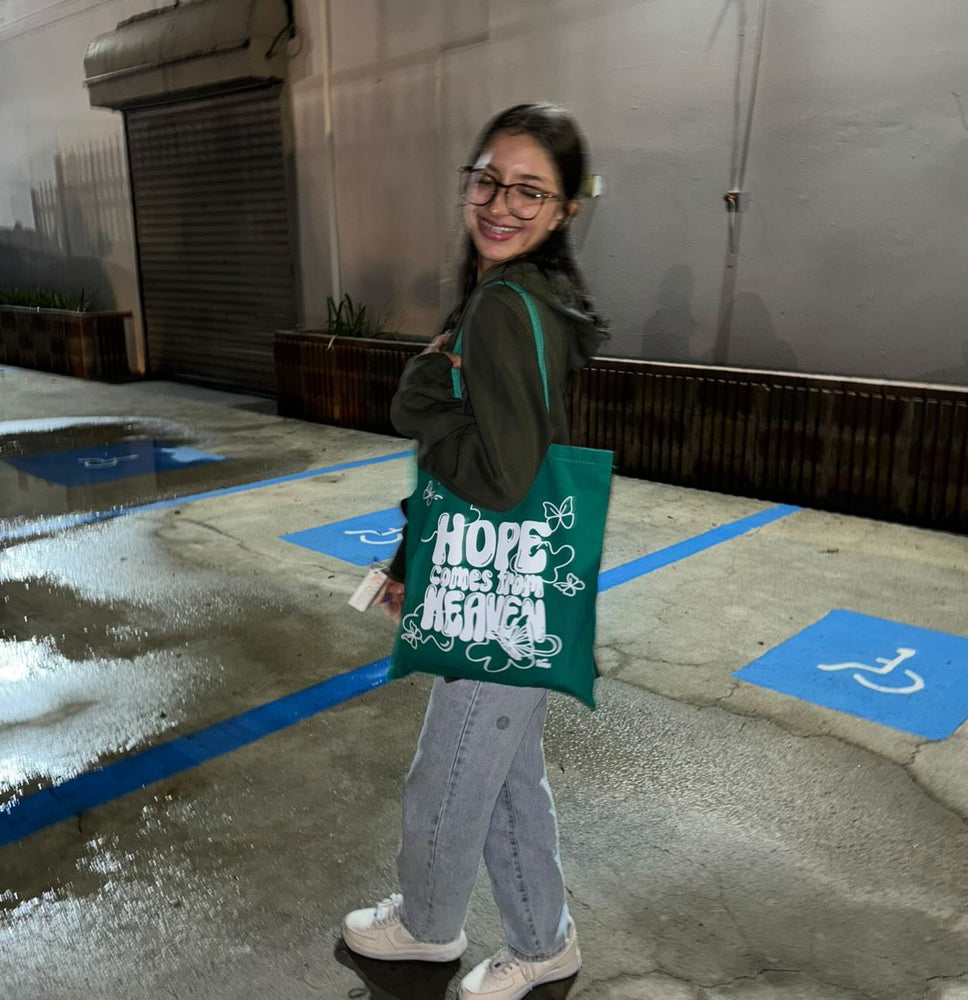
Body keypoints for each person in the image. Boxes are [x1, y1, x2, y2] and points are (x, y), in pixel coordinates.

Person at [342, 102, 608, 1000]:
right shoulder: (540, 298)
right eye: (489, 179)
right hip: (522, 582)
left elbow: (498, 477)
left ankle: (425, 925)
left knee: (451, 777)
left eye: (530, 189)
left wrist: (417, 396)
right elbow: (491, 459)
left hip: (502, 588)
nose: (500, 203)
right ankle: (543, 943)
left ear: (568, 207)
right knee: (505, 779)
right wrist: (408, 555)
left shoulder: (502, 306)